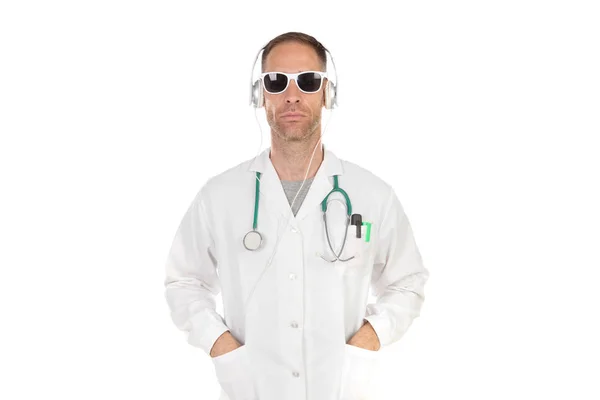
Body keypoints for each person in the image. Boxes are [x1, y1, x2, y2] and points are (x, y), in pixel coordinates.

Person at [163, 31, 429, 400]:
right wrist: (219, 344)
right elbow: (184, 281)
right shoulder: (219, 195)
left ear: (327, 94)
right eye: (276, 82)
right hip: (252, 387)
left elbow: (408, 281)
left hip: (339, 387)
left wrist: (370, 338)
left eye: (307, 81)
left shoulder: (372, 195)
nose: (292, 95)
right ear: (260, 95)